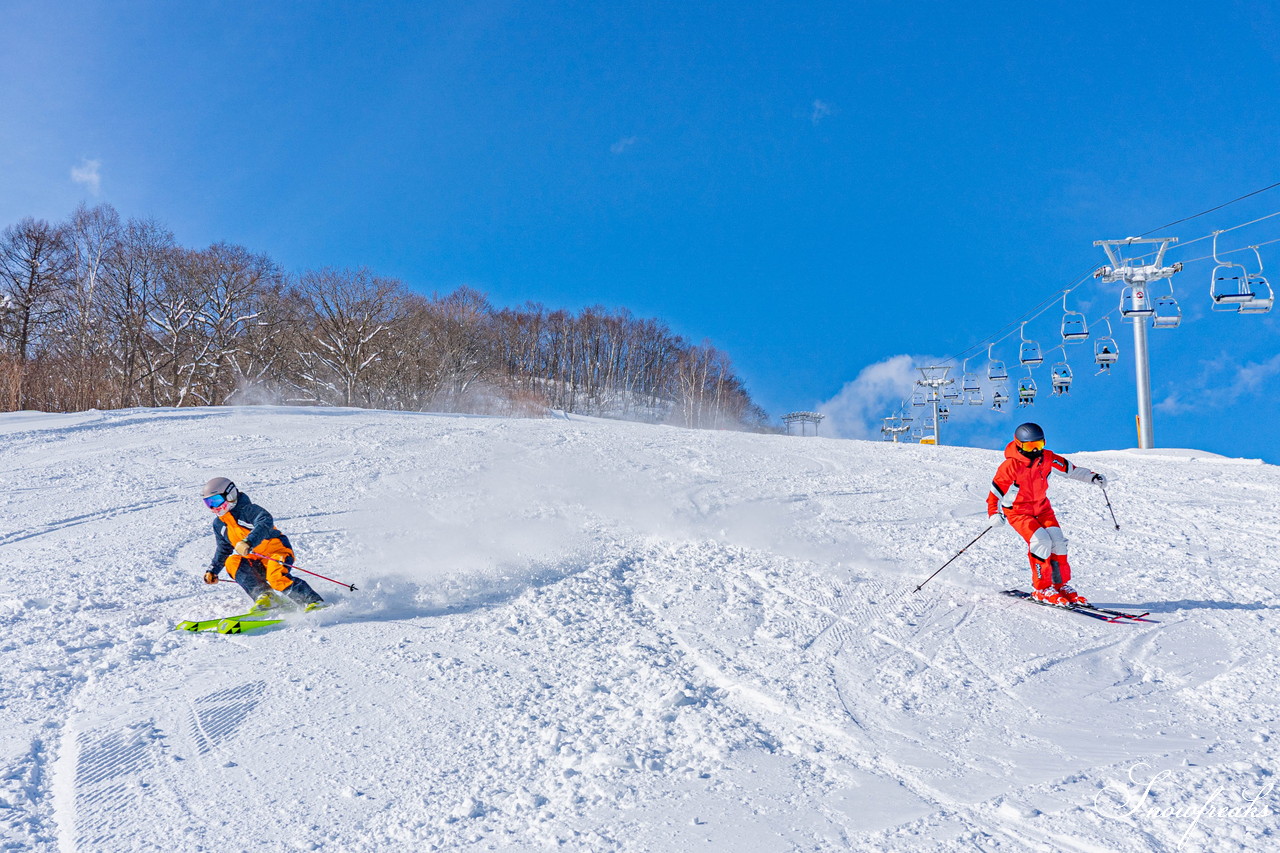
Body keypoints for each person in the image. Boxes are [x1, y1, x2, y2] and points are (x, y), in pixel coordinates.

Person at [986, 423, 1108, 605]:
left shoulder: (1047, 458)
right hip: (1019, 512)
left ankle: (1060, 585)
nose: (1035, 450)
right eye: (1029, 446)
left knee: (1058, 541)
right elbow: (995, 493)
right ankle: (1041, 589)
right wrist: (993, 514)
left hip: (1042, 508)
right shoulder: (1010, 465)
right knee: (1041, 541)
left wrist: (1092, 477)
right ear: (1019, 444)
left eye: (1039, 445)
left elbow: (1071, 470)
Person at [201, 477, 323, 612]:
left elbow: (265, 521)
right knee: (232, 562)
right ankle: (266, 596)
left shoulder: (248, 511)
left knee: (276, 577)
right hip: (255, 560)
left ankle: (313, 602)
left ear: (230, 495)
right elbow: (223, 549)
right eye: (208, 503)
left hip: (277, 552)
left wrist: (249, 541)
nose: (213, 507)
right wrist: (213, 570)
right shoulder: (220, 524)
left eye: (216, 501)